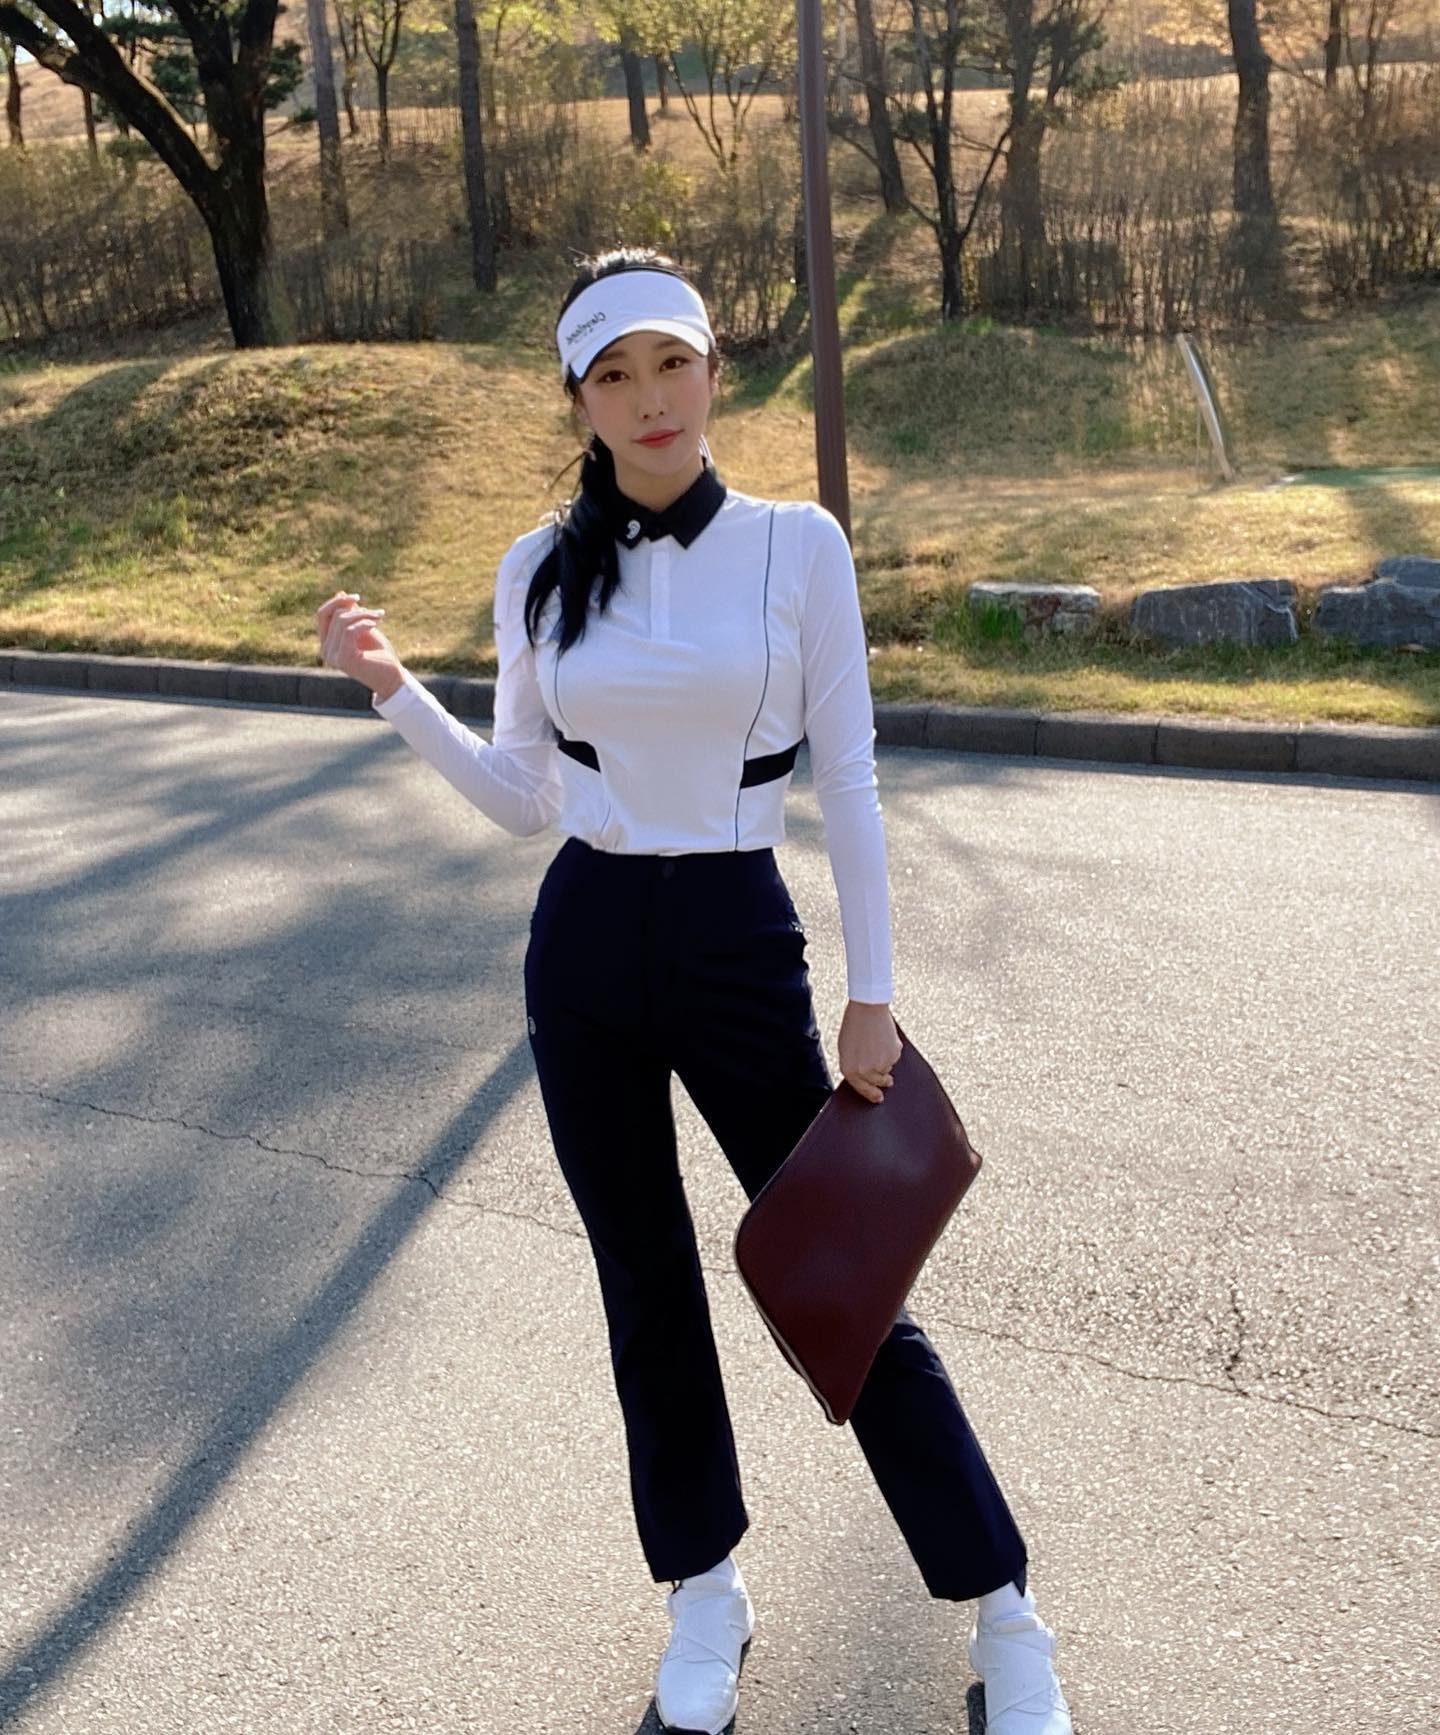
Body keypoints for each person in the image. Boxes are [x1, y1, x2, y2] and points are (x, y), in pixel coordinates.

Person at [314, 245, 1072, 1735]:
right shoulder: (537, 568)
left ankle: (1004, 1612)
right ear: (580, 399)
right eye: (615, 374)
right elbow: (526, 797)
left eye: (672, 362)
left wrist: (874, 991)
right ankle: (705, 1598)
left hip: (737, 933)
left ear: (714, 370)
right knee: (644, 1282)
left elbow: (851, 777)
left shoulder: (798, 547)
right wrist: (396, 692)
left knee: (846, 1278)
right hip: (586, 944)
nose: (651, 398)